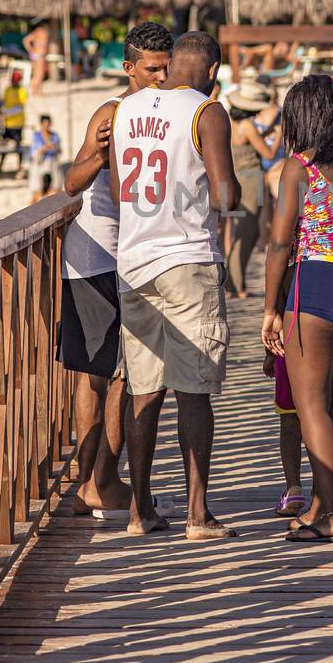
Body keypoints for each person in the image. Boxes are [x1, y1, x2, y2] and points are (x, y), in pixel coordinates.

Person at [103, 31, 240, 539]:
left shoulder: (126, 109)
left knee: (144, 390)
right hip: (187, 260)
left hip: (133, 262)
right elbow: (225, 195)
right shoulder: (207, 112)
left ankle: (141, 511)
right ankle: (197, 515)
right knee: (193, 390)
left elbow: (120, 189)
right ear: (210, 69)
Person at [62, 20, 174, 519]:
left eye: (166, 68)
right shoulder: (111, 111)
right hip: (94, 252)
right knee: (97, 375)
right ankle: (92, 483)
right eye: (151, 69)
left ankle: (102, 479)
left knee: (127, 375)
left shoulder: (170, 110)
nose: (160, 77)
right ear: (128, 67)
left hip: (137, 255)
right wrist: (102, 150)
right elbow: (72, 181)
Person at [262, 74, 333, 543]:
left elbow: (278, 242)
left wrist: (270, 309)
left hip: (317, 281)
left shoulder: (299, 168)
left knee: (309, 404)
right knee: (329, 401)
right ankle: (318, 503)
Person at [223, 82, 276, 299]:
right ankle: (236, 286)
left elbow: (245, 146)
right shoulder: (247, 125)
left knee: (242, 233)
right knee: (248, 233)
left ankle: (235, 284)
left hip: (236, 177)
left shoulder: (230, 122)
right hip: (251, 181)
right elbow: (269, 154)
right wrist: (279, 134)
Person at [28, 114, 62, 204]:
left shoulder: (54, 136)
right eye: (45, 123)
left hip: (52, 162)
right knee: (37, 185)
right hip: (40, 162)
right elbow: (34, 153)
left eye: (48, 123)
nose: (46, 125)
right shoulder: (36, 136)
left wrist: (53, 147)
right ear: (41, 124)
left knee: (56, 185)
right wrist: (44, 149)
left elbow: (59, 150)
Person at [0, 69, 28, 174]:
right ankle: (0, 166)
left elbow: (20, 107)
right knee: (4, 145)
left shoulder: (22, 91)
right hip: (7, 123)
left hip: (17, 124)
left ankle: (19, 167)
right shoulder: (8, 89)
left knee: (18, 146)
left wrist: (6, 113)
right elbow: (4, 102)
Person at [24, 22, 51, 100]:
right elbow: (26, 40)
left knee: (36, 74)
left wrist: (31, 50)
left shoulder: (37, 32)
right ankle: (36, 91)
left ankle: (36, 91)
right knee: (39, 74)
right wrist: (31, 50)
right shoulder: (42, 32)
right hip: (39, 55)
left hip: (36, 54)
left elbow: (26, 40)